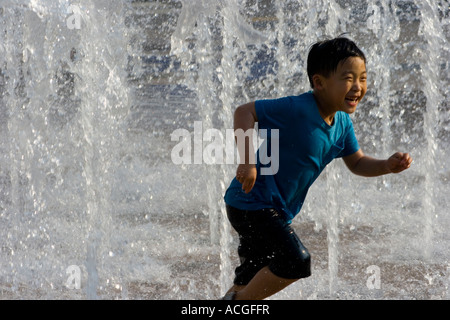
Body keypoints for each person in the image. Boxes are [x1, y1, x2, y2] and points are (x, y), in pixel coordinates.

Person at [222, 36, 412, 300]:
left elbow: (356, 162)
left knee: (250, 279)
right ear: (319, 83)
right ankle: (238, 302)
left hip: (271, 208)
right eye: (348, 78)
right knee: (296, 261)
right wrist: (247, 161)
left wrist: (386, 166)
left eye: (363, 78)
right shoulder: (297, 109)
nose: (358, 87)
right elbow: (244, 112)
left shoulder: (343, 123)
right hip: (251, 203)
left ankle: (232, 300)